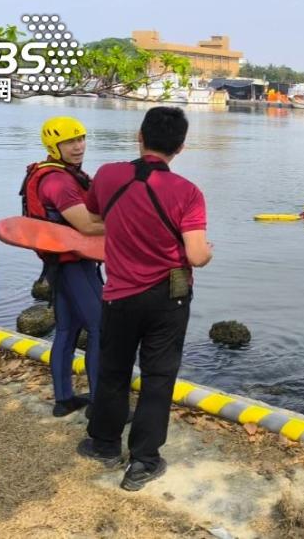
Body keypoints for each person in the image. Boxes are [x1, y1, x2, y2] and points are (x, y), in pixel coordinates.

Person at [77, 107, 212, 491]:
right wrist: (209, 251)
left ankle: (104, 443)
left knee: (114, 369)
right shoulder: (188, 192)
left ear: (140, 135)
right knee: (157, 377)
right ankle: (143, 461)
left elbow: (95, 217)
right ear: (181, 147)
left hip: (119, 293)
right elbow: (197, 255)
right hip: (170, 295)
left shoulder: (107, 175)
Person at [20, 116, 104, 417]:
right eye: (70, 141)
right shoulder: (58, 181)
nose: (78, 146)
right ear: (53, 146)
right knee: (101, 329)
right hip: (73, 266)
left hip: (63, 264)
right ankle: (101, 405)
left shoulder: (65, 174)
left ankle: (64, 399)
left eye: (81, 138)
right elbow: (87, 225)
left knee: (67, 330)